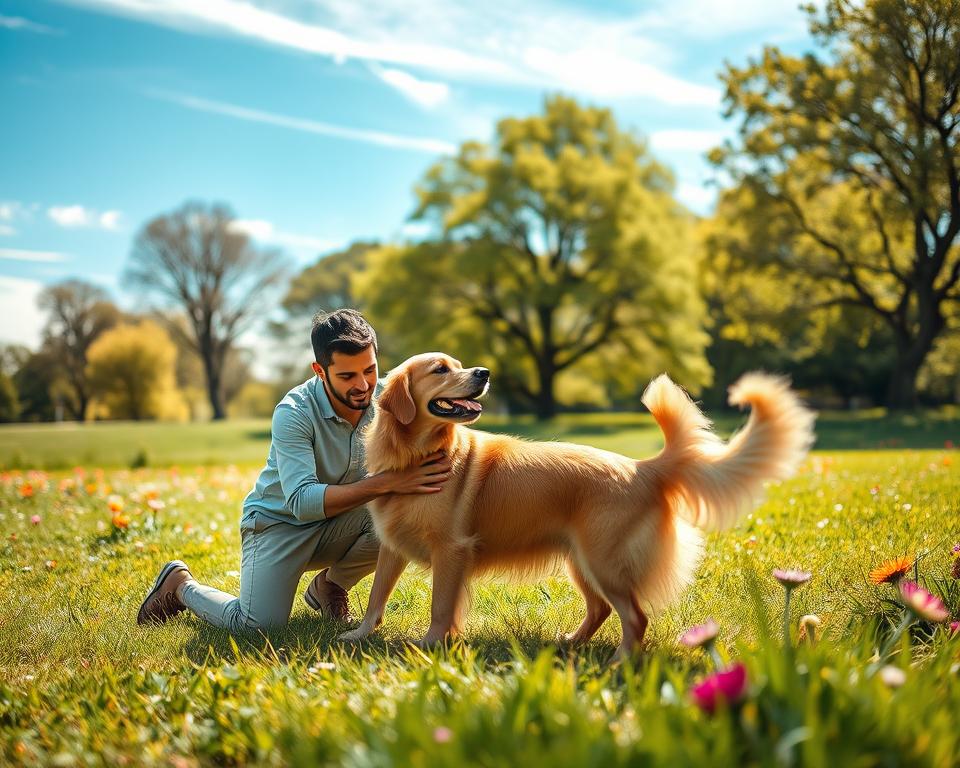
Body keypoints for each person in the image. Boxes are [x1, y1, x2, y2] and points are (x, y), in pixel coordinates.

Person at [136, 309, 452, 632]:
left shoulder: (388, 398)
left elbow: (439, 407)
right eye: (347, 376)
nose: (363, 385)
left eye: (369, 370)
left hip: (343, 520)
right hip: (279, 526)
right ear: (320, 371)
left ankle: (330, 586)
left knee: (402, 513)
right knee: (257, 626)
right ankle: (180, 586)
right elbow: (301, 502)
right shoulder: (293, 412)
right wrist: (387, 482)